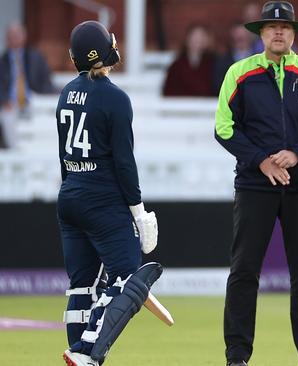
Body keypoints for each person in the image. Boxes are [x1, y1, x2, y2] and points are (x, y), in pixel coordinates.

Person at [214, 2, 298, 366]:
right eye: (271, 27)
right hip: (255, 186)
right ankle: (237, 356)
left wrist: (297, 154)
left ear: (294, 32)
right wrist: (261, 161)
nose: (278, 32)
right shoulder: (240, 73)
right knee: (244, 271)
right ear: (260, 33)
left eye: (285, 26)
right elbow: (224, 128)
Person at [57, 21, 160, 366]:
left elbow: (64, 156)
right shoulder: (116, 99)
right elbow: (124, 162)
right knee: (128, 276)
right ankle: (88, 352)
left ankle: (77, 353)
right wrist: (139, 212)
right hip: (102, 199)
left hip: (70, 194)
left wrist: (73, 187)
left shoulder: (65, 94)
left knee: (81, 286)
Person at [0, 21, 56, 148]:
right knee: (7, 117)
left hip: (33, 99)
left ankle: (42, 150)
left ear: (24, 37)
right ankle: (15, 151)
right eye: (11, 35)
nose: (14, 38)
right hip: (11, 103)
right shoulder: (2, 61)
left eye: (17, 35)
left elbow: (45, 81)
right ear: (7, 39)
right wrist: (4, 100)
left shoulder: (36, 57)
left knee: (47, 116)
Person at [162, 24, 217, 96]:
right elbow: (168, 91)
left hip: (205, 105)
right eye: (194, 36)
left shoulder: (213, 63)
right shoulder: (176, 66)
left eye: (201, 36)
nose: (197, 40)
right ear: (187, 39)